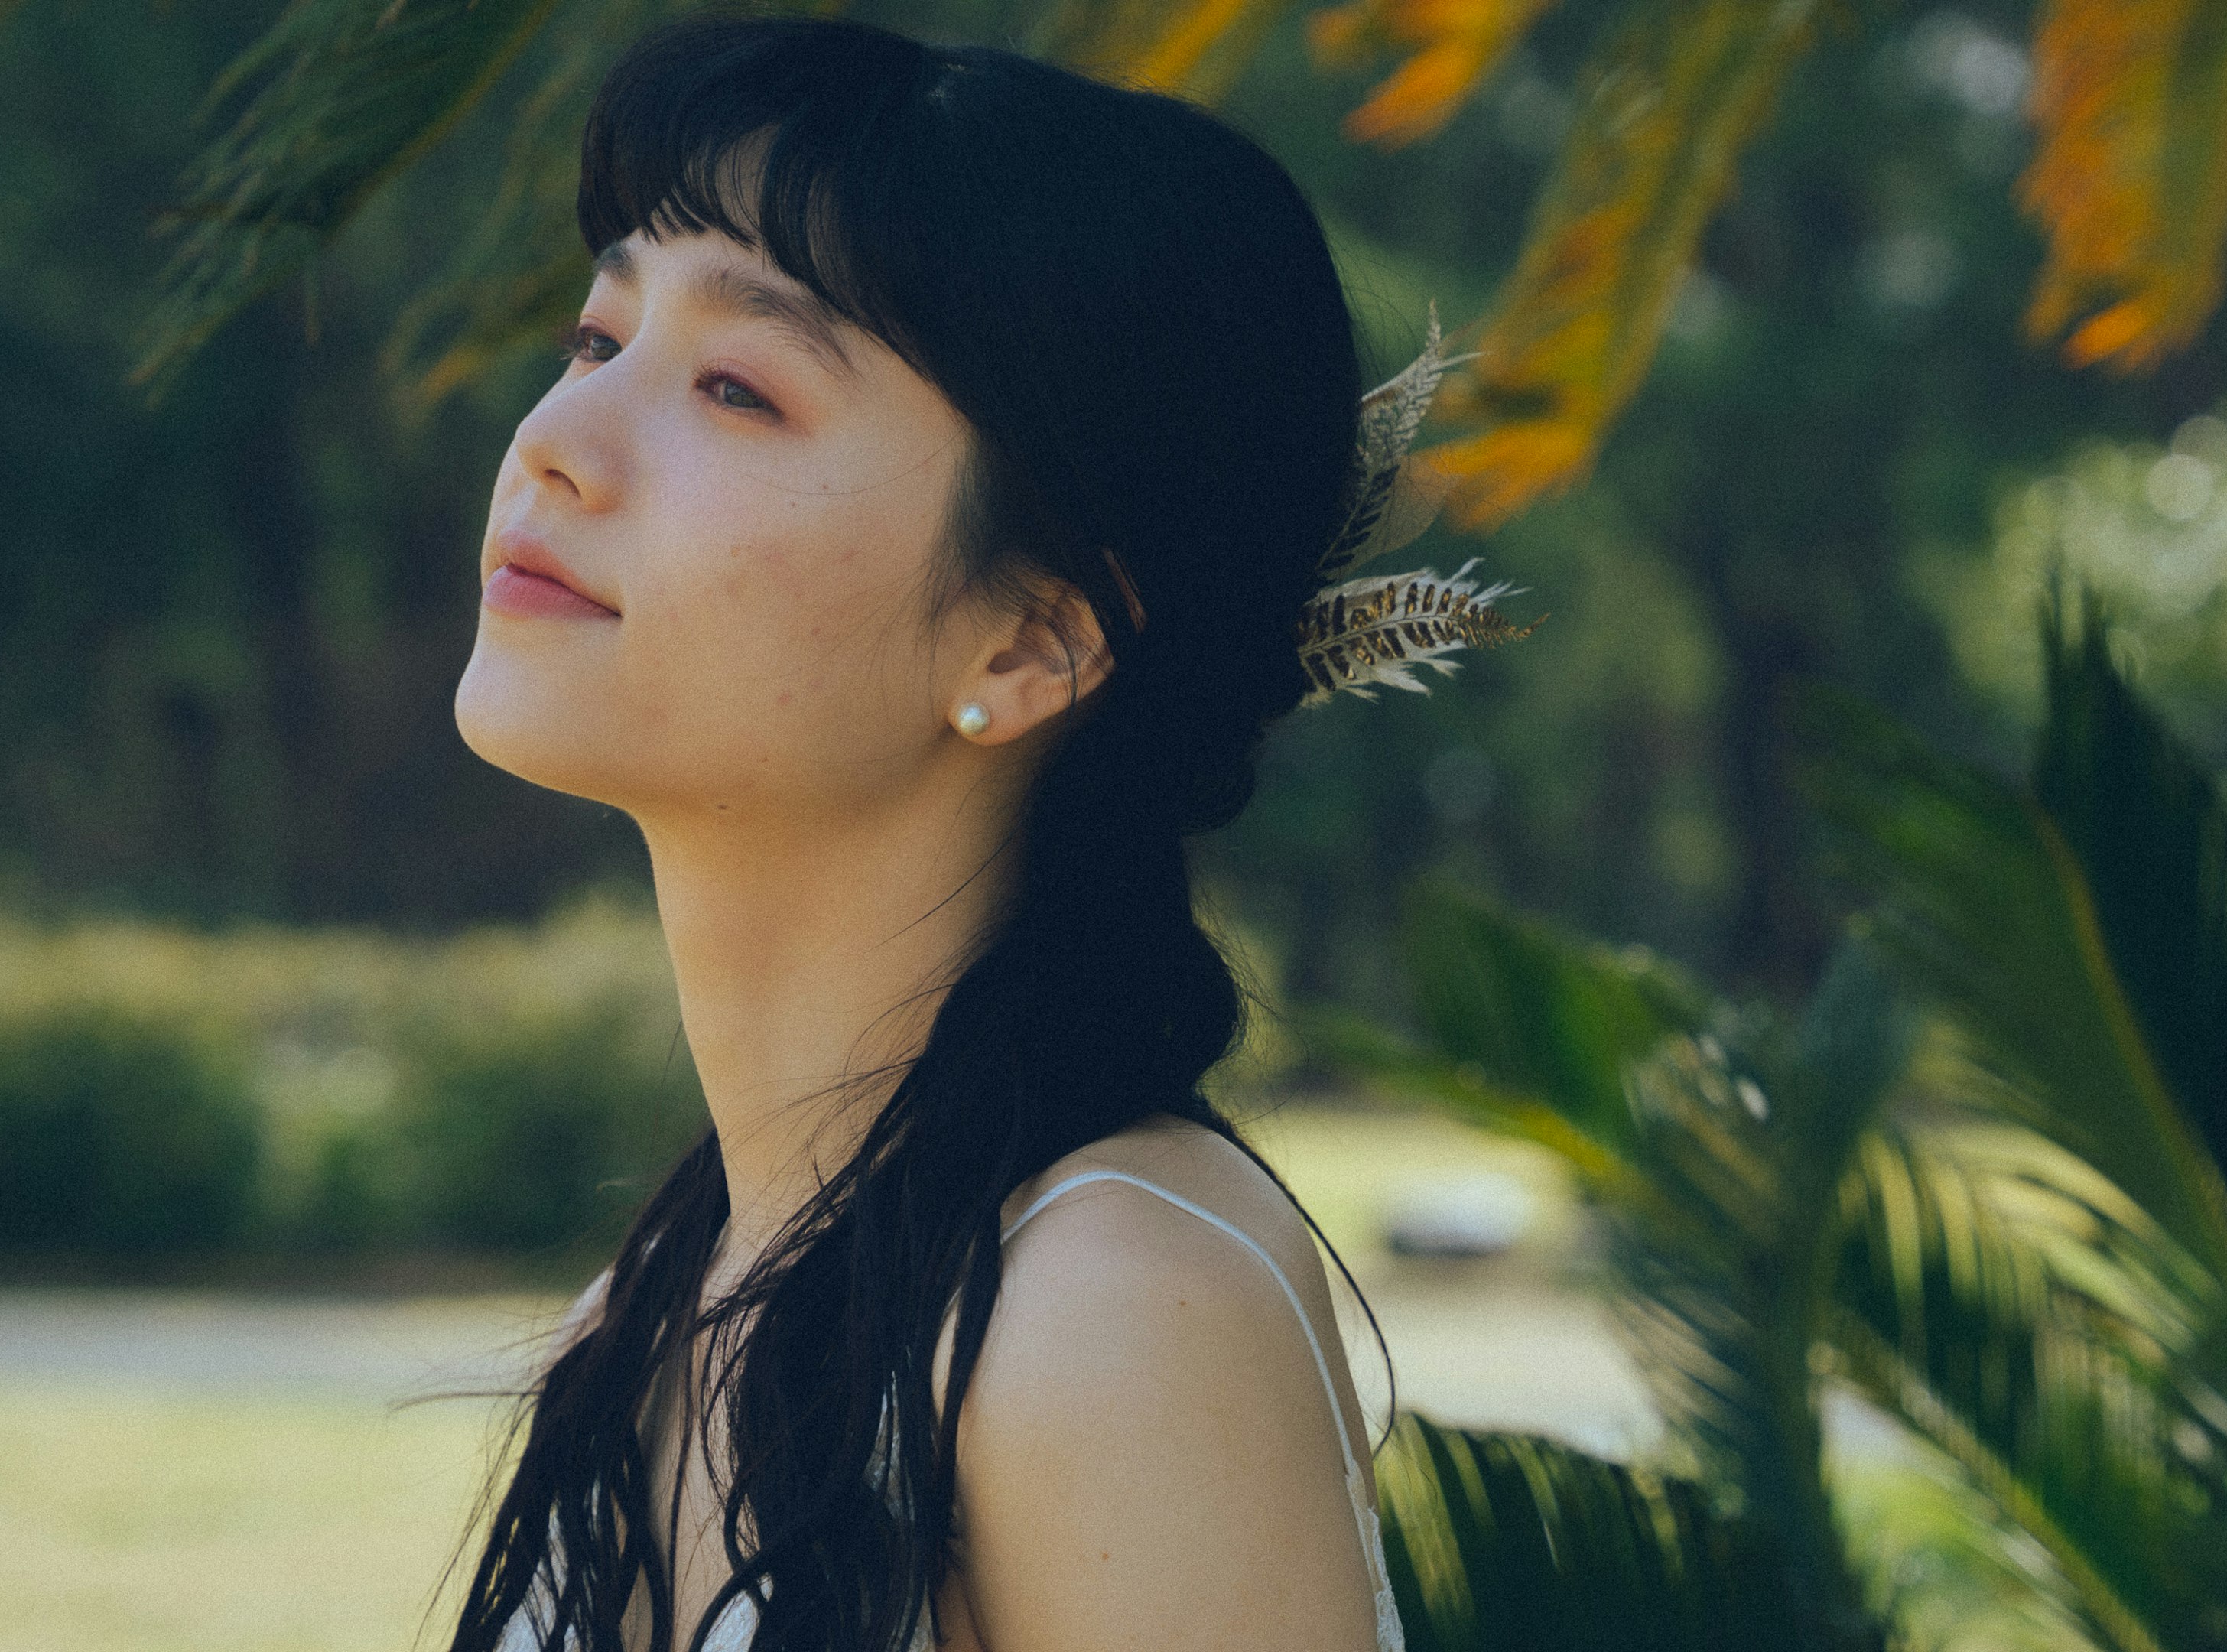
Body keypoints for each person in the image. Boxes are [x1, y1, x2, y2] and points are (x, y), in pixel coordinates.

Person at [447, 13, 1528, 1650]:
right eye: (600, 343)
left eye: (740, 386)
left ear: (1035, 642)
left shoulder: (1110, 1310)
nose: (554, 444)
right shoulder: (663, 1312)